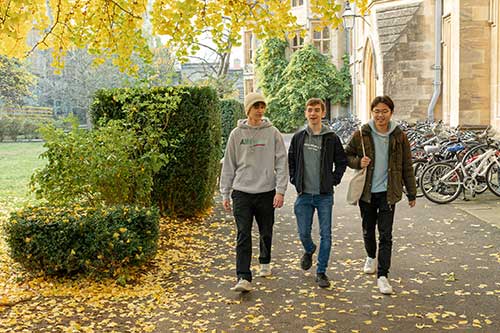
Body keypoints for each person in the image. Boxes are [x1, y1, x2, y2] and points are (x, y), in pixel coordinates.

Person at [344, 95, 416, 295]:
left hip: (388, 193)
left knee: (386, 235)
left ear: (391, 113)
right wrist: (359, 162)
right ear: (372, 112)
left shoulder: (399, 136)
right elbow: (347, 155)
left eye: (384, 111)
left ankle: (383, 276)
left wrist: (411, 192)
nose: (380, 115)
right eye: (377, 111)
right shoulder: (361, 133)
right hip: (367, 193)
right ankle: (370, 256)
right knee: (368, 229)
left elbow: (406, 166)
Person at [220, 92, 288, 292]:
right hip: (241, 192)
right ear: (248, 109)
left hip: (266, 191)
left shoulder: (272, 132)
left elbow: (282, 163)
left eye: (262, 107)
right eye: (256, 107)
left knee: (266, 231)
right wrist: (225, 192)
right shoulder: (236, 134)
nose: (260, 110)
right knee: (243, 234)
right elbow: (229, 165)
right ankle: (243, 276)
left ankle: (265, 261)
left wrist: (281, 190)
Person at [288, 98, 347, 288]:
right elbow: (291, 160)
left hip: (324, 196)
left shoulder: (331, 138)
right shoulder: (299, 137)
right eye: (309, 110)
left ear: (323, 113)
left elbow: (341, 161)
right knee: (303, 232)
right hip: (304, 195)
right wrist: (294, 179)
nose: (313, 113)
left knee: (326, 234)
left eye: (316, 110)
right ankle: (309, 249)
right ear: (306, 113)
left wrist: (333, 179)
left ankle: (321, 272)